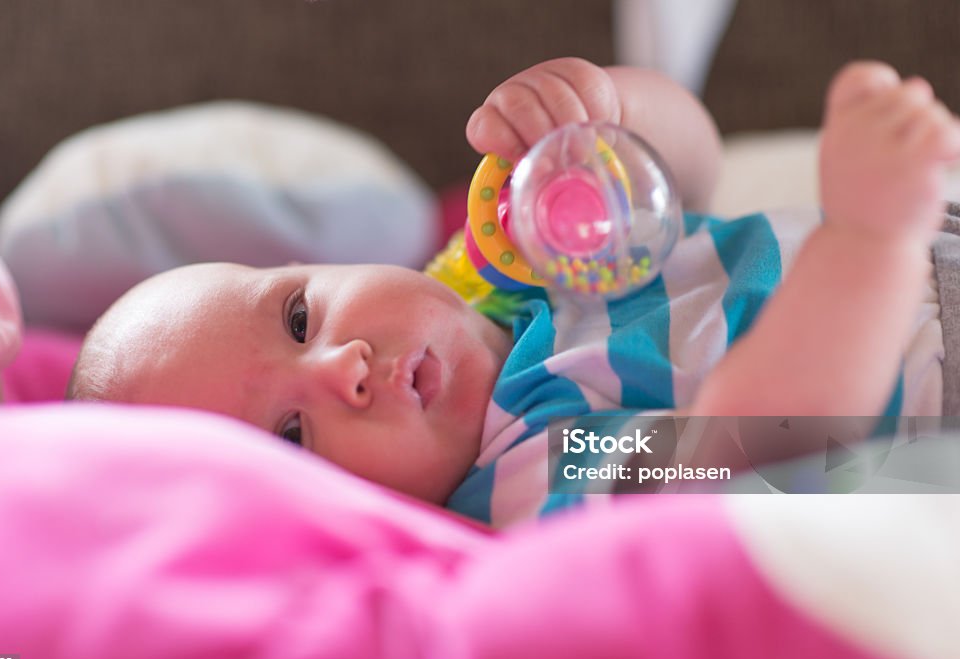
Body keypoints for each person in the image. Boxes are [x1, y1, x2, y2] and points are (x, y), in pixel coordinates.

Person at [67, 58, 960, 526]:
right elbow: (736, 450)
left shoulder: (502, 260)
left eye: (300, 317)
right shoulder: (527, 473)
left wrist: (608, 109)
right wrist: (870, 239)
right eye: (295, 438)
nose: (344, 367)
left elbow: (688, 173)